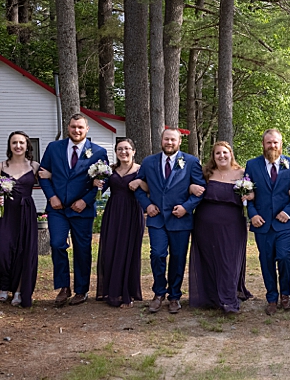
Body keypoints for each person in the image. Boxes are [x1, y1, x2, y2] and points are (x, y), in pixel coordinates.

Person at [38, 113, 109, 306]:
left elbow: (103, 181)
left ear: (87, 129)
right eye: (73, 127)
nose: (76, 130)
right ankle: (63, 287)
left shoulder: (98, 152)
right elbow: (42, 174)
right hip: (57, 208)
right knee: (57, 244)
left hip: (82, 209)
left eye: (80, 127)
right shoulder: (54, 148)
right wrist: (51, 197)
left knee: (82, 249)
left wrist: (85, 201)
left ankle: (81, 290)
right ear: (68, 128)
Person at [133, 128, 206, 314]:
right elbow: (138, 186)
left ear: (179, 142)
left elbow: (200, 190)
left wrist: (186, 207)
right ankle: (159, 293)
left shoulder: (191, 162)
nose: (169, 143)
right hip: (157, 219)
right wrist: (147, 205)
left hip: (180, 219)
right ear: (161, 140)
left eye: (173, 140)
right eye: (166, 139)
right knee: (157, 254)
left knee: (178, 257)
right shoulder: (149, 162)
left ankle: (174, 295)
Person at [187, 141, 253, 314]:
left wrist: (251, 194)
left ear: (231, 154)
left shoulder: (243, 173)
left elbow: (254, 193)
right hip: (204, 223)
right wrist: (191, 187)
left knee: (229, 260)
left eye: (225, 152)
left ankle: (229, 299)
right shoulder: (206, 173)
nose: (222, 156)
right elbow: (188, 187)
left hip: (232, 224)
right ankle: (211, 297)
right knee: (209, 259)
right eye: (218, 153)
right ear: (213, 156)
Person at [245, 129, 290, 315]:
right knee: (266, 260)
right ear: (263, 144)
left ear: (281, 144)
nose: (272, 146)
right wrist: (252, 214)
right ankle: (271, 296)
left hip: (284, 223)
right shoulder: (252, 165)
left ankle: (285, 294)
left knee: (285, 257)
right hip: (261, 223)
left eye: (275, 142)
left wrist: (288, 212)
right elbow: (246, 193)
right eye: (269, 142)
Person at [0, 131, 39, 308]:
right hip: (4, 212)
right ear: (9, 146)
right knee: (2, 249)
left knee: (23, 250)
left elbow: (51, 180)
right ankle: (3, 286)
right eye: (14, 143)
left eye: (21, 143)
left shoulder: (34, 166)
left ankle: (18, 290)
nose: (18, 146)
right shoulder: (0, 166)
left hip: (25, 212)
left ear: (27, 146)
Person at [93, 138, 144, 308]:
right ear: (116, 152)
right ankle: (111, 289)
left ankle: (126, 292)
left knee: (128, 250)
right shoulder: (110, 170)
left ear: (133, 151)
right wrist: (96, 182)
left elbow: (151, 188)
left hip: (132, 212)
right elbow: (102, 188)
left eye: (127, 148)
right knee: (111, 249)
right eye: (120, 149)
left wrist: (140, 182)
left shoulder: (141, 170)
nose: (123, 152)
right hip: (113, 212)